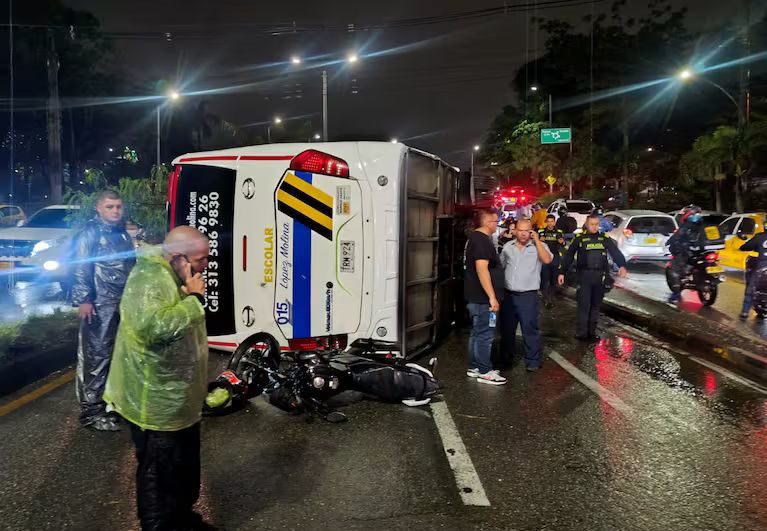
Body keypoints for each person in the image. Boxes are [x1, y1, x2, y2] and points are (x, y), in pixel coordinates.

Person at [103, 226, 216, 531]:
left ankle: (183, 519)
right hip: (154, 404)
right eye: (201, 259)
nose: (206, 266)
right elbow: (154, 329)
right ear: (179, 257)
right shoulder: (149, 280)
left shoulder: (173, 274)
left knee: (183, 468)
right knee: (159, 475)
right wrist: (194, 300)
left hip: (178, 401)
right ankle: (161, 526)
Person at [71, 189, 136, 431]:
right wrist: (84, 299)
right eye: (110, 207)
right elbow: (80, 267)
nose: (115, 211)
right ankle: (91, 411)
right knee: (97, 356)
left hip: (121, 303)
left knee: (118, 355)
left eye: (118, 206)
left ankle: (110, 403)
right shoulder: (90, 233)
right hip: (99, 305)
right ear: (98, 208)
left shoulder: (122, 234)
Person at [558, 215, 628, 340]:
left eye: (596, 224)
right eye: (592, 224)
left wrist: (622, 265)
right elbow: (569, 256)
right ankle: (581, 333)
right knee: (584, 306)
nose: (595, 226)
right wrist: (562, 272)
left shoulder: (604, 238)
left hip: (600, 276)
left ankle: (592, 332)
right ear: (586, 224)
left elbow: (615, 252)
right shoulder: (579, 238)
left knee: (595, 306)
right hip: (584, 276)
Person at [499, 218, 553, 371]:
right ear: (515, 231)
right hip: (509, 295)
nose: (523, 234)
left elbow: (547, 260)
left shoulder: (540, 246)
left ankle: (533, 361)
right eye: (520, 230)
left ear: (532, 231)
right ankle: (505, 360)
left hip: (528, 296)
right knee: (507, 330)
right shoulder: (508, 247)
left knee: (530, 329)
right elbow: (501, 266)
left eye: (527, 230)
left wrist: (537, 241)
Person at [464, 208, 507, 385]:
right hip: (483, 299)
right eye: (495, 221)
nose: (496, 225)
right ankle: (484, 370)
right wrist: (492, 297)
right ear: (487, 222)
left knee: (476, 333)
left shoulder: (475, 239)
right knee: (485, 334)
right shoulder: (481, 241)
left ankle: (475, 366)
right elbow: (482, 270)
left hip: (476, 297)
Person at [666, 205, 707, 303]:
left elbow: (677, 236)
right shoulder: (704, 224)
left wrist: (669, 242)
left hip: (687, 252)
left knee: (673, 270)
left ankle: (676, 294)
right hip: (703, 251)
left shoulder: (687, 225)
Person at [739, 222, 767, 318]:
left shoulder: (760, 237)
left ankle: (745, 311)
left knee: (751, 288)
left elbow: (745, 247)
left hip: (762, 267)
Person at [538, 214, 566, 307]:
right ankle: (547, 298)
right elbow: (536, 243)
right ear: (546, 222)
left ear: (554, 222)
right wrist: (539, 240)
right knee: (545, 279)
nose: (550, 223)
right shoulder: (541, 231)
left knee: (553, 279)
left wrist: (562, 242)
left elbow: (563, 244)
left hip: (555, 258)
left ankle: (550, 298)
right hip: (544, 258)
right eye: (548, 221)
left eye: (552, 221)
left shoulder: (559, 232)